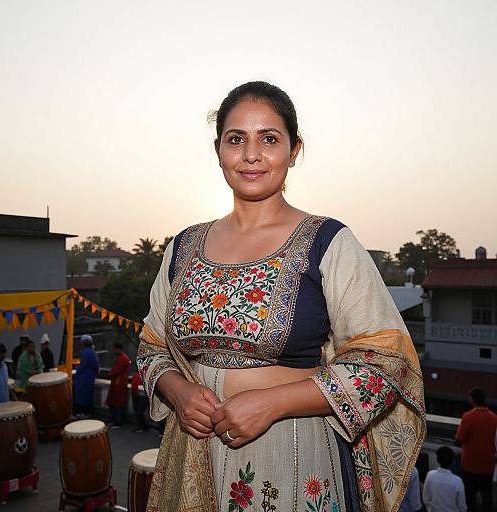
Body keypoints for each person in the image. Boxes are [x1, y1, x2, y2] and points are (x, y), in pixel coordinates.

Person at [136, 81, 425, 511]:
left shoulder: (328, 241)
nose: (251, 154)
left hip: (291, 452)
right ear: (218, 150)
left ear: (294, 151)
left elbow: (386, 363)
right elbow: (151, 348)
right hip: (191, 452)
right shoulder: (183, 246)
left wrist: (271, 404)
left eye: (268, 139)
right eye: (236, 139)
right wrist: (179, 393)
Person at [455, 386, 497, 512]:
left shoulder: (468, 417)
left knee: (470, 497)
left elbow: (459, 438)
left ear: (473, 400)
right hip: (488, 464)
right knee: (487, 496)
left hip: (470, 464)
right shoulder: (494, 417)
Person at [423, 446, 466, 512]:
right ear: (453, 461)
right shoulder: (457, 481)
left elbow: (426, 499)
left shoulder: (430, 475)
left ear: (437, 459)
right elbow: (462, 506)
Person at [73, 334, 99, 418]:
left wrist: (77, 368)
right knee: (88, 394)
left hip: (85, 377)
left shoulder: (86, 352)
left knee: (82, 395)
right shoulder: (92, 352)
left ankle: (83, 412)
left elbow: (83, 365)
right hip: (90, 376)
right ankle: (87, 412)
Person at [106, 341, 130, 429]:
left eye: (114, 349)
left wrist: (109, 375)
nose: (113, 351)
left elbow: (116, 371)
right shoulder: (121, 357)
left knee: (118, 404)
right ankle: (114, 420)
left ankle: (118, 422)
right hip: (117, 384)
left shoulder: (123, 359)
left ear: (117, 349)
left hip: (119, 384)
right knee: (115, 403)